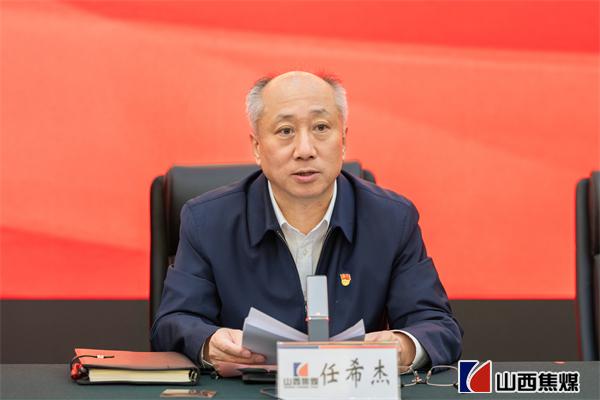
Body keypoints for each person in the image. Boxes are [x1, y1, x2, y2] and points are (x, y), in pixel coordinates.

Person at [151, 71, 462, 373]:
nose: (305, 150)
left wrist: (404, 346)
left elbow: (437, 326)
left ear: (343, 140)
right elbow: (172, 323)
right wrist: (209, 343)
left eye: (321, 127)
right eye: (286, 131)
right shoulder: (207, 221)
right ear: (257, 147)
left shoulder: (392, 219)